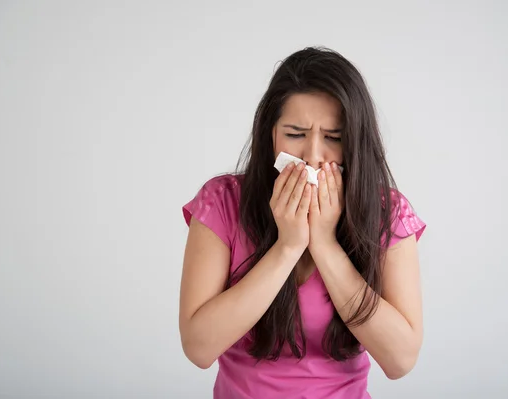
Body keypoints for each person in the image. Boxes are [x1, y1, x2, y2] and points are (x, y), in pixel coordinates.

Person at [179, 46, 427, 399]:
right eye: (295, 135)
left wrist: (324, 244)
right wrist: (288, 247)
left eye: (333, 138)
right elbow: (198, 348)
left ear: (356, 142)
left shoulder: (387, 212)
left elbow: (401, 360)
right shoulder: (222, 202)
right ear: (271, 134)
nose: (312, 156)